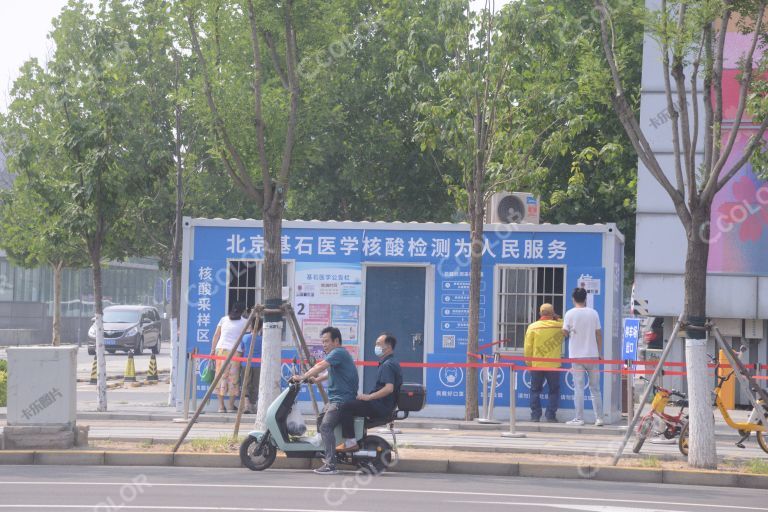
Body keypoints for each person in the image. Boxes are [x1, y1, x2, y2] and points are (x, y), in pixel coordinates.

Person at [290, 326, 358, 475]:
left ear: (336, 341)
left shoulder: (338, 352)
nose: (324, 344)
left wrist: (303, 377)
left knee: (326, 427)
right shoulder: (339, 355)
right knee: (320, 420)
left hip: (341, 399)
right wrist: (316, 380)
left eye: (327, 341)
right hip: (336, 399)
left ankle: (330, 464)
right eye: (323, 342)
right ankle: (325, 450)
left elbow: (321, 366)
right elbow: (330, 372)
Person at [336, 333, 402, 452]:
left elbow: (389, 388)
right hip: (382, 405)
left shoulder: (388, 365)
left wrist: (369, 397)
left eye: (378, 344)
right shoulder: (389, 362)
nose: (375, 346)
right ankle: (357, 439)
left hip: (380, 406)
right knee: (353, 404)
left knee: (345, 407)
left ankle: (350, 442)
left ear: (388, 347)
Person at [562, 287, 604, 426]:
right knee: (595, 388)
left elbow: (565, 333)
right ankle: (599, 418)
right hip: (592, 355)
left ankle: (579, 418)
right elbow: (598, 334)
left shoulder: (569, 314)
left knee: (578, 388)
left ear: (573, 299)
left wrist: (566, 330)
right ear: (585, 298)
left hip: (576, 356)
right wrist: (600, 353)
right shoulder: (593, 313)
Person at [524, 304, 563, 423]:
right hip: (554, 365)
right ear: (553, 314)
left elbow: (528, 348)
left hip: (537, 365)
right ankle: (550, 415)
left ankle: (535, 415)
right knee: (554, 390)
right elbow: (568, 325)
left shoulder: (533, 327)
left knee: (535, 390)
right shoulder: (559, 326)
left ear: (540, 314)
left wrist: (529, 363)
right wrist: (558, 318)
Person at [210, 302, 248, 413]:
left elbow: (216, 335)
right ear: (243, 311)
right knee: (233, 378)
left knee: (220, 377)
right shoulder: (245, 322)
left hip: (220, 350)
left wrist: (212, 350)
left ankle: (221, 407)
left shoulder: (223, 319)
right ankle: (231, 406)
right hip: (235, 351)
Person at [239, 317, 262, 414]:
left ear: (250, 326)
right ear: (261, 327)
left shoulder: (245, 337)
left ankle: (246, 405)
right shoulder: (263, 339)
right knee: (256, 385)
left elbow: (242, 348)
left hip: (246, 363)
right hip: (258, 364)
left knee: (246, 384)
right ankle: (253, 406)